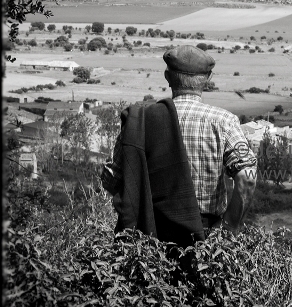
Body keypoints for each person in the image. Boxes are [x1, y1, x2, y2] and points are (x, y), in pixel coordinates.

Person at [101, 45, 257, 248]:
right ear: (208, 79)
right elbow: (247, 177)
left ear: (167, 76)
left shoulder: (141, 121)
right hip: (206, 241)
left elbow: (113, 179)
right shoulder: (224, 122)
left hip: (148, 241)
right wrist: (229, 228)